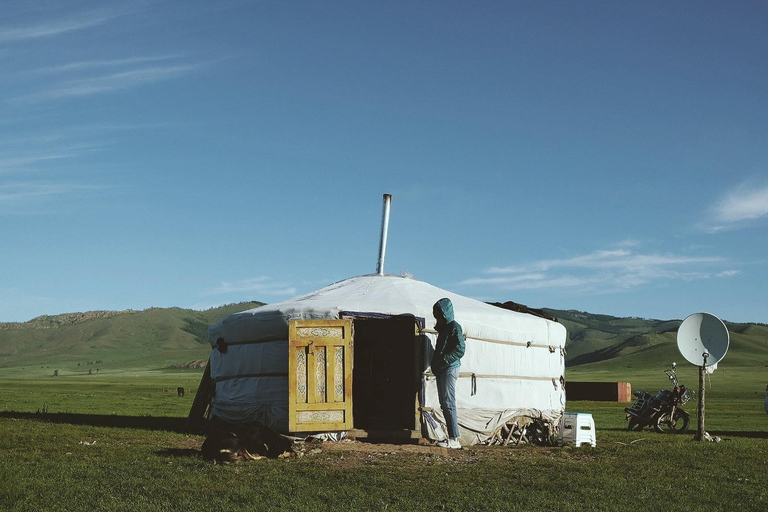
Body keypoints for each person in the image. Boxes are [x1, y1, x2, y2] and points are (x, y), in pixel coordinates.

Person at [431, 297, 465, 449]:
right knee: (445, 403)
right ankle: (451, 437)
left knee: (449, 402)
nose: (437, 317)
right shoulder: (444, 329)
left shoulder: (454, 327)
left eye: (439, 313)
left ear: (446, 313)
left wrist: (444, 360)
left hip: (450, 368)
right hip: (443, 369)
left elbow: (460, 349)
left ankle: (454, 439)